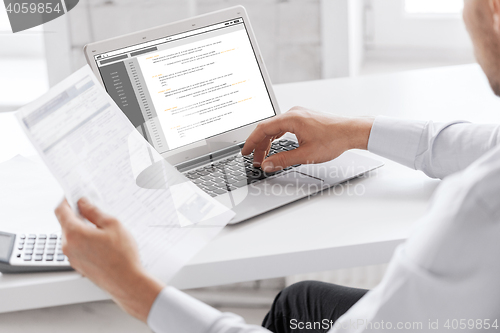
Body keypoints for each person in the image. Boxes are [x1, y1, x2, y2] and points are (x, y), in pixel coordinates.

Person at [54, 0, 500, 332]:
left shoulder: (477, 210)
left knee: (292, 312)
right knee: (301, 300)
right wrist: (355, 130)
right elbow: (485, 144)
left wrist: (136, 289)